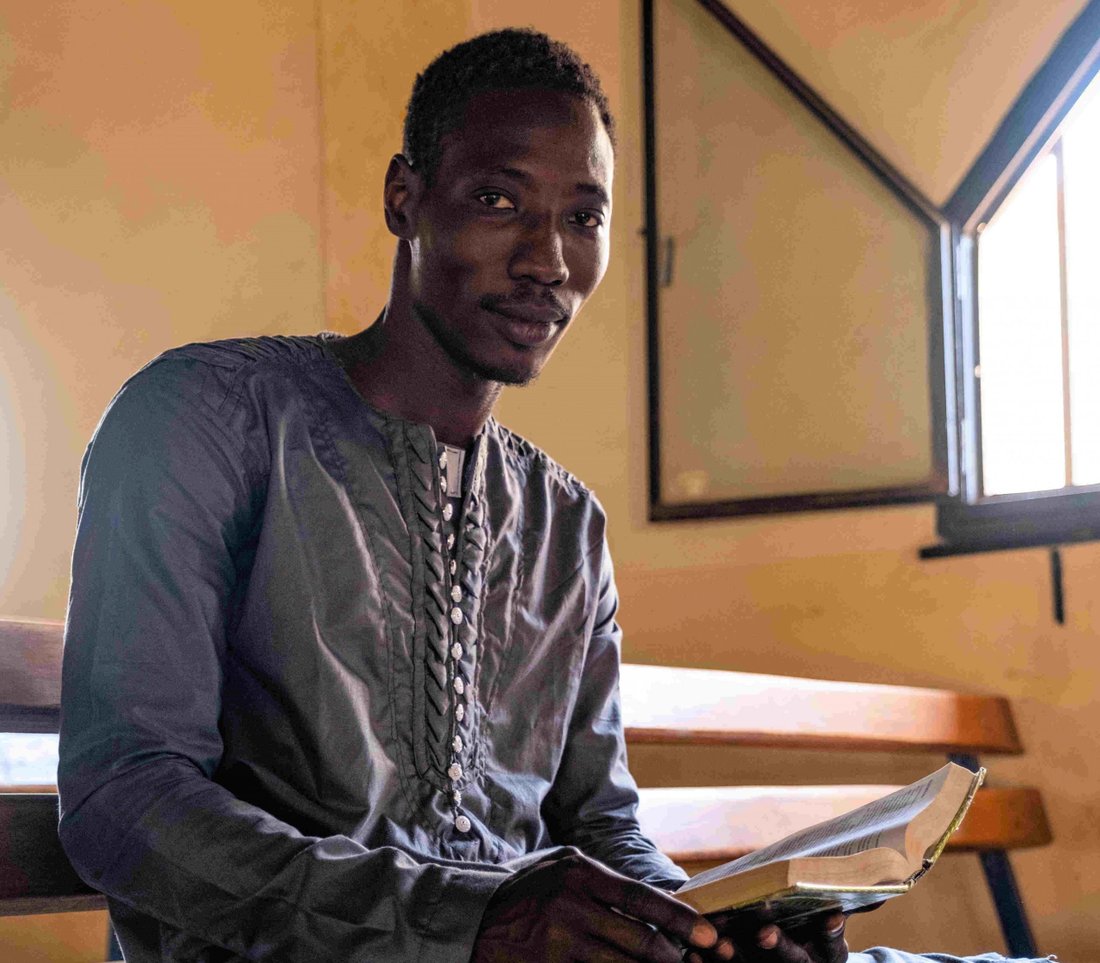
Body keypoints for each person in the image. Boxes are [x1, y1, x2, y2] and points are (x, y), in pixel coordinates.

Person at [57, 28, 1052, 963]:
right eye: (499, 200)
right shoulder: (204, 420)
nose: (548, 262)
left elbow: (600, 824)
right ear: (405, 197)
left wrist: (712, 933)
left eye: (584, 217)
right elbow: (124, 800)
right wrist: (466, 922)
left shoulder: (563, 523)